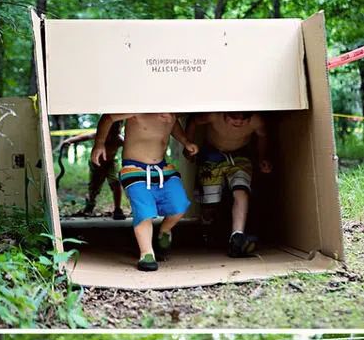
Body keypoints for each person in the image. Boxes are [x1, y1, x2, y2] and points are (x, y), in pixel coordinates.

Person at [91, 113, 198, 270]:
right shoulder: (138, 108)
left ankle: (165, 230)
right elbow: (108, 118)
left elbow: (173, 124)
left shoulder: (170, 112)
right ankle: (147, 253)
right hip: (134, 168)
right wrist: (99, 144)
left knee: (179, 203)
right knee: (144, 210)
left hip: (162, 168)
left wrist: (186, 141)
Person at [184, 112, 272, 257]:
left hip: (240, 156)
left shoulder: (257, 121)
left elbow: (263, 136)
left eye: (244, 118)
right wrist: (188, 145)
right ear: (225, 113)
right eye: (234, 117)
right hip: (211, 155)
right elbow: (193, 121)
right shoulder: (213, 116)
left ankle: (237, 235)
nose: (239, 122)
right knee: (209, 202)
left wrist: (262, 157)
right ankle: (206, 226)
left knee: (241, 190)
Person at [59, 123, 126, 218]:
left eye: (118, 127)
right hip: (96, 163)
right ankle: (90, 204)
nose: (116, 129)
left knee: (116, 182)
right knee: (94, 187)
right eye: (114, 127)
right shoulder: (99, 135)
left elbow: (130, 146)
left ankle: (118, 209)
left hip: (111, 163)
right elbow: (84, 137)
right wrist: (69, 140)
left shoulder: (119, 139)